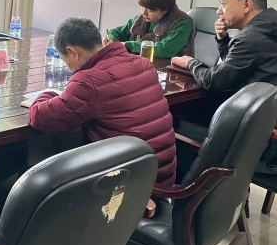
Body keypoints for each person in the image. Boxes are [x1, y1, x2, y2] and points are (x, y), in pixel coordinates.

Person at [28, 17, 177, 185]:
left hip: (129, 185)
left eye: (65, 59)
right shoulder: (143, 63)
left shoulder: (88, 81)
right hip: (161, 175)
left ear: (73, 52)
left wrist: (46, 94)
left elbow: (40, 118)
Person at [171, 0, 277, 174]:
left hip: (272, 143)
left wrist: (190, 62)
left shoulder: (252, 38)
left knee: (176, 126)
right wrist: (223, 40)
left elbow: (213, 81)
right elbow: (237, 70)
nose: (219, 11)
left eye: (223, 4)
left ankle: (191, 190)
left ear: (246, 5)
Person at [103, 0, 195, 58]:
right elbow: (118, 31)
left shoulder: (183, 23)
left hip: (171, 71)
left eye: (151, 10)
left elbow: (164, 49)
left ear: (165, 10)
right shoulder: (142, 18)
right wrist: (111, 39)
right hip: (142, 66)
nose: (144, 13)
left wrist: (128, 45)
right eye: (142, 7)